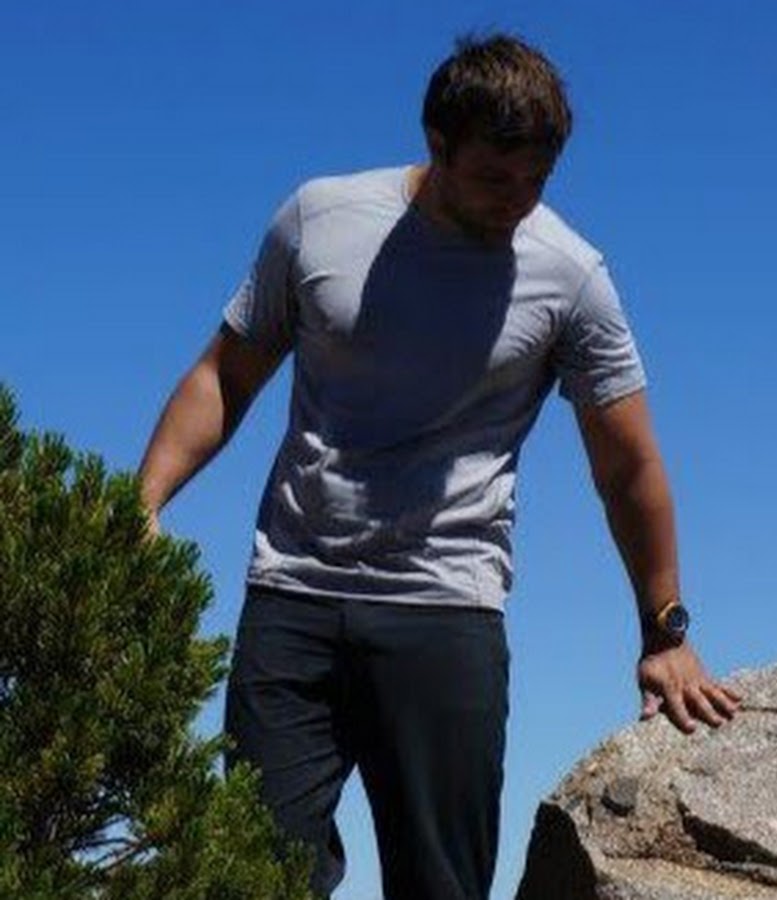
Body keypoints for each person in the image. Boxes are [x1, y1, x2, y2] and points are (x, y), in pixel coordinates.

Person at [138, 33, 741, 900]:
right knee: (252, 878)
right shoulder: (319, 219)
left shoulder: (570, 276)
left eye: (537, 180)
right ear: (437, 143)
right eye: (496, 177)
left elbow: (628, 465)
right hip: (292, 601)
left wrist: (665, 631)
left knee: (442, 888)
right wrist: (144, 502)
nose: (517, 201)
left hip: (447, 613)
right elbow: (224, 377)